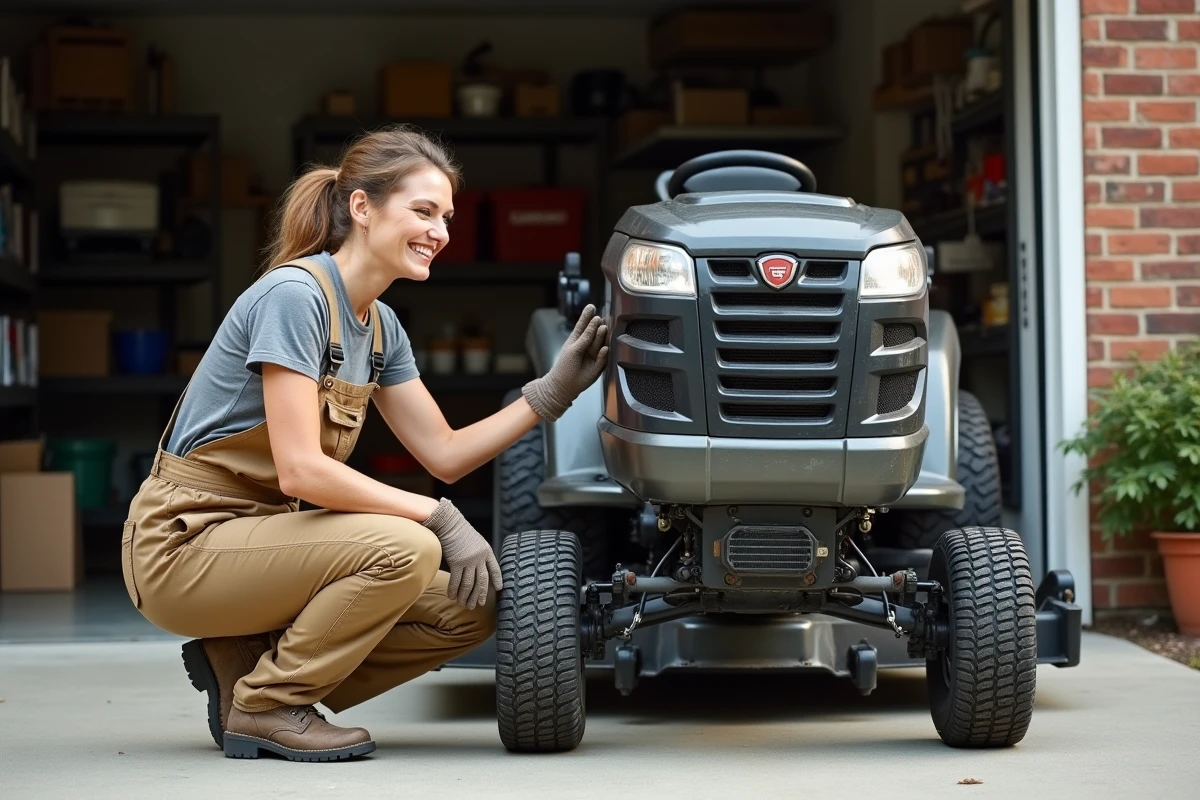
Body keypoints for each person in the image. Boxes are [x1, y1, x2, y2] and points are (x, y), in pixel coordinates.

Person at [121, 124, 609, 762]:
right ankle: (266, 705)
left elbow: (445, 453)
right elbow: (300, 470)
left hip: (268, 545)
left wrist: (550, 395)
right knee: (404, 546)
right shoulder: (295, 297)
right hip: (186, 543)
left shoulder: (380, 325)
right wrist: (435, 516)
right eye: (424, 211)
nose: (441, 232)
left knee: (474, 608)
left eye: (448, 217)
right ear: (362, 207)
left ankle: (246, 668)